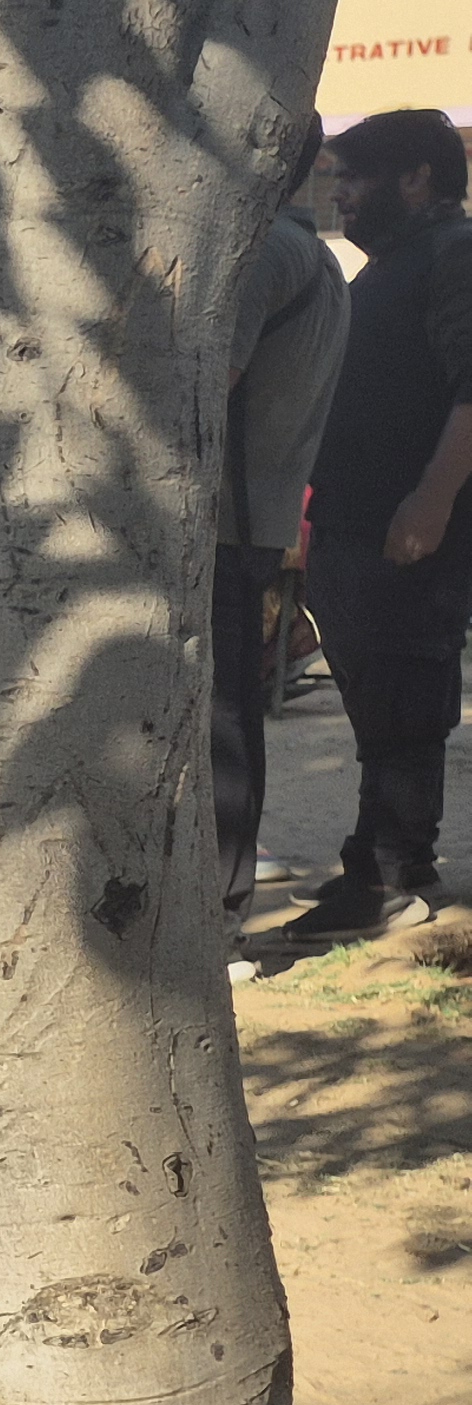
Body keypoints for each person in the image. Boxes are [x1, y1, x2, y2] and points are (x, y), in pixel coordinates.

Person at [288, 110, 472, 943]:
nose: (340, 193)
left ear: (418, 179)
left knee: (404, 693)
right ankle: (382, 859)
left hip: (410, 531)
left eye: (356, 177)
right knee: (377, 694)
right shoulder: (393, 264)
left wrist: (431, 500)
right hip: (357, 522)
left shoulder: (454, 255)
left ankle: (394, 874)